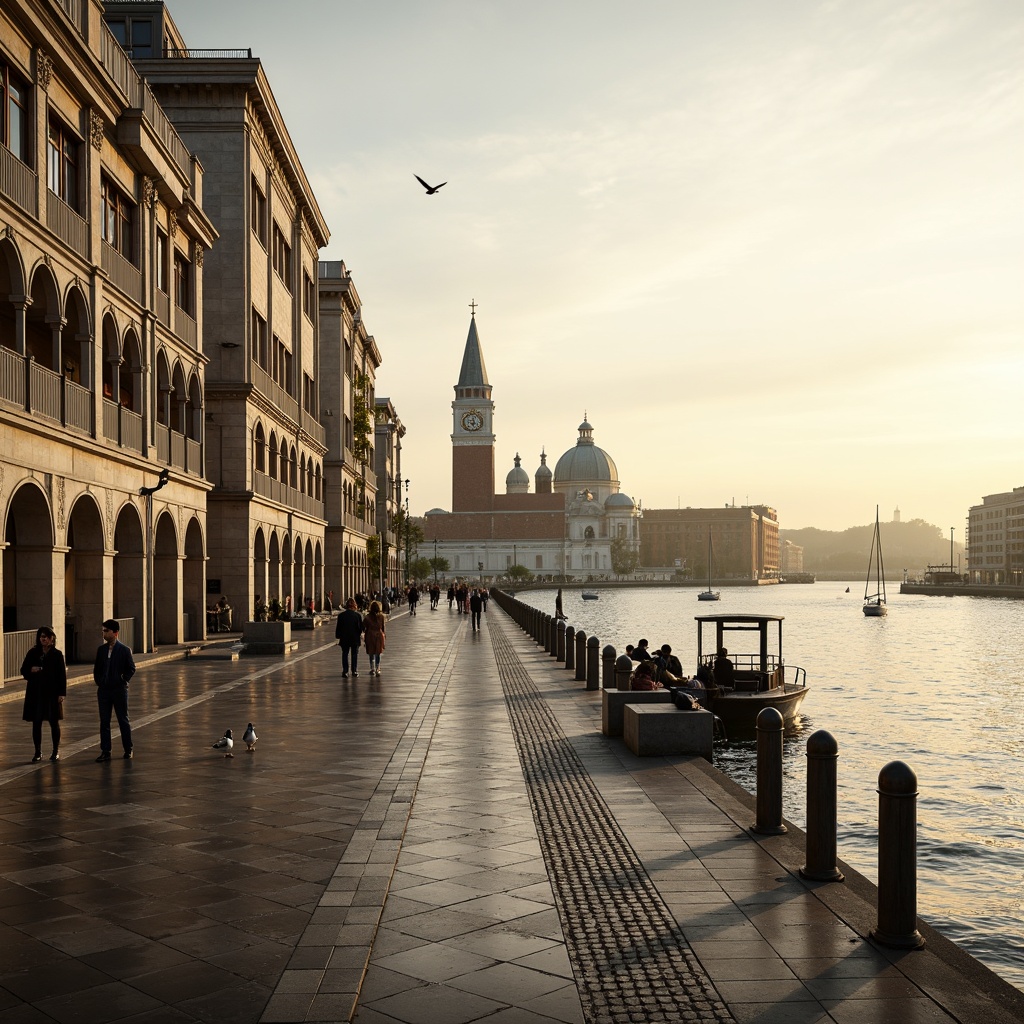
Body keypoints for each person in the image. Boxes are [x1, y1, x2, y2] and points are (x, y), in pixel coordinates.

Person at [21, 626, 67, 762]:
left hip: (52, 693)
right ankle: (37, 751)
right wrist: (31, 670)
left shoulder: (57, 654)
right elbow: (23, 670)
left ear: (52, 639)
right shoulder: (33, 652)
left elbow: (61, 675)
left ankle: (55, 751)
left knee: (54, 722)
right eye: (41, 637)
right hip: (36, 692)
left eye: (46, 637)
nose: (44, 639)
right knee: (36, 722)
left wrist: (62, 693)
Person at [93, 619, 136, 761]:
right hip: (104, 690)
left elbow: (131, 668)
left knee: (123, 719)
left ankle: (128, 748)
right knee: (104, 721)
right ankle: (106, 750)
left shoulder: (124, 650)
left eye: (106, 631)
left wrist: (123, 679)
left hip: (119, 690)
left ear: (115, 632)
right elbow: (97, 669)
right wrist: (99, 681)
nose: (103, 633)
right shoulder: (101, 650)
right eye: (103, 630)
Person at [335, 599, 363, 677]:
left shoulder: (341, 616)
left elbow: (338, 628)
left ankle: (345, 671)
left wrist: (338, 637)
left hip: (344, 638)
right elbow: (360, 628)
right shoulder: (357, 616)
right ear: (354, 606)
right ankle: (354, 671)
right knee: (354, 654)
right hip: (355, 638)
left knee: (345, 654)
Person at [363, 601, 387, 676]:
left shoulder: (367, 617)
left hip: (370, 635)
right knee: (378, 653)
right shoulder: (382, 617)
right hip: (379, 636)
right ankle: (378, 668)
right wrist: (384, 636)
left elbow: (363, 627)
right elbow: (383, 627)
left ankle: (372, 668)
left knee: (371, 653)